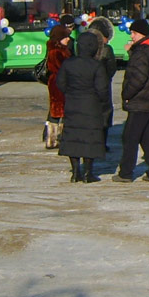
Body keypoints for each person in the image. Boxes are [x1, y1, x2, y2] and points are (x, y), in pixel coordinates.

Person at [113, 19, 149, 183]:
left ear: (141, 33)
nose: (132, 36)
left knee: (130, 138)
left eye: (134, 33)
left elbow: (138, 77)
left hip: (140, 102)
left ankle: (126, 173)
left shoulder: (141, 52)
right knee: (148, 137)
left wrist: (126, 94)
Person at [56, 29, 108, 183]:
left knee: (73, 137)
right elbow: (102, 89)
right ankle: (88, 173)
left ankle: (75, 173)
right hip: (91, 106)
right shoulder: (96, 66)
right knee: (89, 138)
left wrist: (71, 93)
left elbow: (60, 83)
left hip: (72, 103)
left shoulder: (69, 63)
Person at [85, 17, 118, 150]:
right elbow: (112, 68)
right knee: (104, 114)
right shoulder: (106, 49)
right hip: (103, 87)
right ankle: (102, 143)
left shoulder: (83, 46)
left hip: (86, 87)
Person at [44, 24, 73, 149]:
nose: (68, 39)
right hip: (58, 85)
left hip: (59, 83)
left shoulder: (61, 49)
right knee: (58, 111)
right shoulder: (57, 52)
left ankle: (56, 138)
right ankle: (54, 139)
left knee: (58, 111)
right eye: (65, 37)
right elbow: (60, 69)